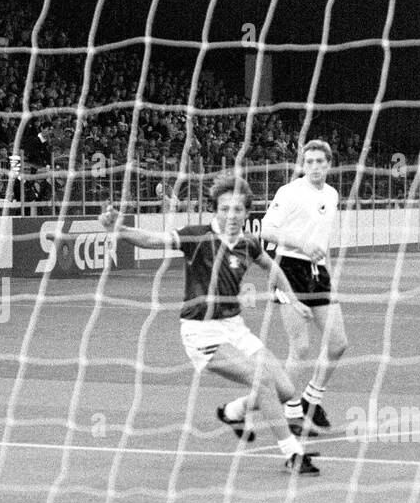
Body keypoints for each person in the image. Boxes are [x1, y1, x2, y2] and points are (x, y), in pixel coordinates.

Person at [99, 174, 322, 475]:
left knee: (284, 388)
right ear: (214, 209)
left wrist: (292, 299)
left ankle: (233, 411)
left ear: (246, 212)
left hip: (235, 326)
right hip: (202, 332)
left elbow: (273, 268)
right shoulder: (197, 236)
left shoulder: (248, 244)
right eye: (225, 208)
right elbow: (154, 240)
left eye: (238, 210)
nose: (231, 215)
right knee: (262, 381)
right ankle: (292, 453)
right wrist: (120, 229)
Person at [260, 139, 345, 435]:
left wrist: (330, 275)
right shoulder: (290, 192)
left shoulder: (332, 194)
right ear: (303, 164)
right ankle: (290, 410)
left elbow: (323, 242)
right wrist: (303, 244)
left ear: (329, 164)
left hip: (317, 272)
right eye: (309, 162)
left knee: (338, 343)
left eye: (320, 161)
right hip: (289, 269)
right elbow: (267, 230)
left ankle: (311, 399)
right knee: (301, 347)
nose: (314, 167)